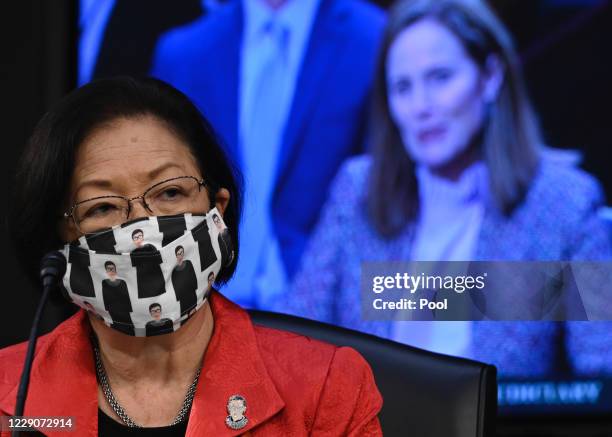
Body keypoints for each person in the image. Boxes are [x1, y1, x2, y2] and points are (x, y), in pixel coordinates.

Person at [0, 77, 382, 435]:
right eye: (102, 208)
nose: (143, 234)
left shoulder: (325, 388)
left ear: (217, 210)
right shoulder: (8, 394)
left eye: (170, 193)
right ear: (61, 243)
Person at [285, 0, 612, 378]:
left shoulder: (563, 206)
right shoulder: (358, 192)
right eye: (403, 87)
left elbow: (602, 372)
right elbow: (294, 342)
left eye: (440, 78)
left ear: (490, 77)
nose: (421, 106)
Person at [151, 0, 386, 309]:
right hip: (203, 311)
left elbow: (394, 207)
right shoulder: (183, 53)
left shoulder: (375, 39)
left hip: (329, 318)